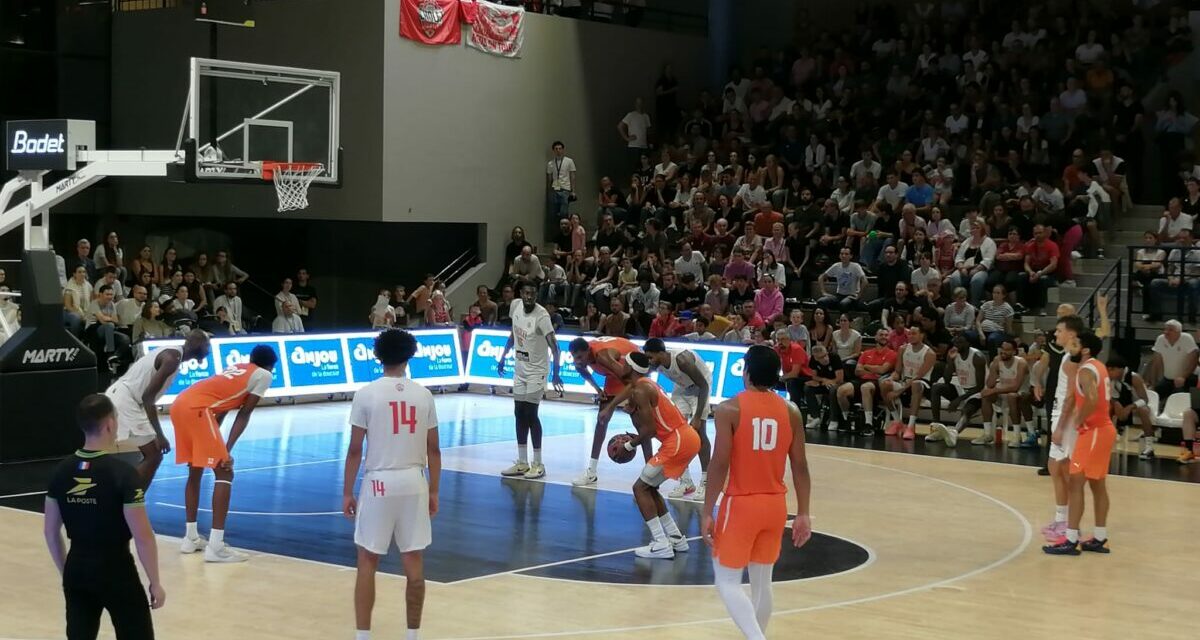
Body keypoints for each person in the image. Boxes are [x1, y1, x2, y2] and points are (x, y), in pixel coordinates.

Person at [702, 345, 811, 640]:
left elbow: (719, 463)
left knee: (726, 581)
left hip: (741, 505)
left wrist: (707, 510)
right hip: (775, 506)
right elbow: (800, 466)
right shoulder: (791, 411)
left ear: (747, 371)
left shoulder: (729, 409)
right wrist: (803, 512)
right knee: (762, 584)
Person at [342, 330, 441, 640]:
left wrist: (347, 492)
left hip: (379, 483)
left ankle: (363, 636)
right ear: (409, 355)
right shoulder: (423, 395)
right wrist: (434, 490)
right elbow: (434, 449)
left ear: (378, 355)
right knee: (414, 563)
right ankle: (413, 635)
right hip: (414, 481)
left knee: (367, 560)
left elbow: (355, 450)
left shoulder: (366, 394)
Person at [44, 394, 164, 640]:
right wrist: (155, 582)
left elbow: (50, 531)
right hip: (116, 570)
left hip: (77, 568)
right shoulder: (123, 474)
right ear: (110, 424)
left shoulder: (61, 471)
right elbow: (143, 536)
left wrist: (67, 573)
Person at [170, 344, 278, 562]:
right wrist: (225, 450)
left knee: (196, 469)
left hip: (180, 404)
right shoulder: (264, 375)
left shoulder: (238, 368)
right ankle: (216, 547)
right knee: (225, 472)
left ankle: (191, 538)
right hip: (198, 410)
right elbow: (244, 414)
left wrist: (216, 443)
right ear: (270, 365)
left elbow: (222, 407)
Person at [618, 352, 701, 559]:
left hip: (678, 440)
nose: (620, 365)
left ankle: (661, 543)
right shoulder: (647, 385)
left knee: (639, 488)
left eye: (624, 363)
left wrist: (628, 446)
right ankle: (675, 537)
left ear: (631, 368)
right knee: (650, 487)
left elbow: (649, 430)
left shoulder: (640, 390)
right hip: (685, 438)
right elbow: (650, 427)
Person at [105, 331, 211, 488]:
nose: (209, 348)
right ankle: (130, 497)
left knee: (153, 455)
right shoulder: (172, 358)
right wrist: (160, 435)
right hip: (125, 400)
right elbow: (148, 397)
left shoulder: (175, 354)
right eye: (207, 344)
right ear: (197, 344)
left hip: (126, 398)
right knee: (154, 455)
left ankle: (131, 496)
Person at [1044, 332, 1117, 555]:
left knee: (1076, 483)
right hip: (1103, 430)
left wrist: (1078, 420)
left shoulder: (1085, 371)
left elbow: (1092, 399)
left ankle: (1071, 539)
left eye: (1074, 344)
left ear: (1085, 349)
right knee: (1097, 484)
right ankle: (1100, 537)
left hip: (1093, 432)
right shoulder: (1098, 366)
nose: (1070, 347)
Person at [497, 283, 565, 480]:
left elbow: (556, 347)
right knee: (518, 413)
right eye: (526, 293)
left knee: (530, 413)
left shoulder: (542, 316)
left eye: (533, 294)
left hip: (537, 372)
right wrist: (503, 356)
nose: (529, 297)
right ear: (521, 294)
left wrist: (556, 373)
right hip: (520, 370)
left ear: (536, 296)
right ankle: (521, 462)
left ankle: (538, 463)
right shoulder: (515, 306)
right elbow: (513, 334)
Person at [568, 336, 642, 485]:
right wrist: (598, 389)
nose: (577, 361)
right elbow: (581, 369)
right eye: (575, 358)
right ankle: (591, 472)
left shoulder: (603, 357)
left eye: (580, 357)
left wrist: (618, 404)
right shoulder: (582, 357)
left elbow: (631, 383)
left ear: (588, 351)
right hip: (614, 374)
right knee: (601, 421)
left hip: (633, 369)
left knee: (642, 423)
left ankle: (650, 474)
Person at [1041, 315, 1085, 541]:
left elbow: (1071, 396)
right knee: (1054, 467)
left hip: (1066, 419)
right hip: (1060, 414)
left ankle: (1070, 525)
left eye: (1059, 330)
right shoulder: (1068, 356)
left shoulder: (1073, 361)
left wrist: (1060, 427)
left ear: (1071, 334)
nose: (1055, 334)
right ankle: (1060, 519)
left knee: (1065, 470)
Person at [927, 335, 988, 446]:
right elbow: (947, 380)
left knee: (966, 410)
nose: (956, 345)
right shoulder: (954, 355)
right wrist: (950, 361)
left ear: (968, 344)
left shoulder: (977, 357)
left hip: (978, 392)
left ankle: (954, 433)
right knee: (936, 387)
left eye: (960, 342)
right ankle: (937, 427)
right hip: (962, 389)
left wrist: (958, 399)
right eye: (955, 342)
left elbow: (980, 386)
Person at [880, 324, 936, 439]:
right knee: (884, 384)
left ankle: (910, 426)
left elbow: (919, 376)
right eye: (909, 334)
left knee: (916, 384)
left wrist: (899, 391)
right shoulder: (903, 349)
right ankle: (897, 421)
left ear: (922, 335)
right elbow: (897, 371)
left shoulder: (929, 353)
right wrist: (891, 378)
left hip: (923, 385)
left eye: (914, 334)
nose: (911, 336)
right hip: (905, 382)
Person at [837, 328, 897, 434]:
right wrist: (875, 369)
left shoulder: (892, 354)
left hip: (878, 382)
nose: (884, 337)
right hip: (862, 379)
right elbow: (857, 371)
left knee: (865, 387)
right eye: (881, 335)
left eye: (886, 335)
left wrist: (866, 366)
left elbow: (883, 370)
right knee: (841, 390)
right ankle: (847, 420)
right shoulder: (866, 353)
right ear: (876, 337)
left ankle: (868, 424)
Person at [975, 339, 1034, 447]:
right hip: (1002, 393)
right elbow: (990, 384)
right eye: (1002, 349)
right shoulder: (997, 361)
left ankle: (1017, 436)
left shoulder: (1021, 363)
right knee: (986, 396)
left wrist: (995, 390)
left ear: (1014, 351)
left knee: (1012, 396)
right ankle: (987, 434)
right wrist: (994, 367)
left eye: (1007, 350)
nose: (1003, 352)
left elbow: (1015, 387)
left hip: (1021, 393)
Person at [1105, 355, 1157, 460]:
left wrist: (1130, 407)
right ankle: (1107, 438)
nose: (1109, 372)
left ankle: (1149, 447)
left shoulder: (1134, 377)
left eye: (1112, 370)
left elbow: (1145, 399)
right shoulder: (1111, 380)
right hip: (1124, 403)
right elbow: (1113, 397)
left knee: (1143, 410)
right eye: (1108, 370)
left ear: (1121, 369)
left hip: (1139, 404)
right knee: (1107, 407)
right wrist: (1116, 404)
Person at [1146, 320, 1199, 406]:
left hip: (1186, 379)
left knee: (1180, 399)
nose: (1166, 332)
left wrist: (1183, 376)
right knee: (1153, 395)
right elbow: (1155, 362)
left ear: (1178, 332)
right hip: (1168, 379)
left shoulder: (1186, 338)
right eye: (1165, 329)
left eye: (1170, 330)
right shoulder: (1161, 339)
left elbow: (1194, 359)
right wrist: (1153, 383)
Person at [804, 343, 844, 429]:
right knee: (808, 388)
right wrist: (823, 380)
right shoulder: (813, 360)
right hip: (823, 383)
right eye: (821, 357)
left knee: (832, 390)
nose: (825, 358)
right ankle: (815, 417)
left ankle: (833, 419)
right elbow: (814, 376)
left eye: (825, 355)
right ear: (816, 358)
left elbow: (840, 379)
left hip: (836, 383)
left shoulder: (835, 357)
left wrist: (829, 381)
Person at [546, 140, 577, 219]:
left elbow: (572, 176)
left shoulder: (569, 161)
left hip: (565, 189)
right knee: (554, 213)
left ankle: (564, 225)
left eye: (560, 148)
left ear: (563, 150)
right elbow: (549, 178)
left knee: (564, 212)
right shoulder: (550, 163)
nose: (558, 151)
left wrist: (573, 191)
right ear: (553, 150)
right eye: (556, 149)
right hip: (555, 189)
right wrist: (549, 191)